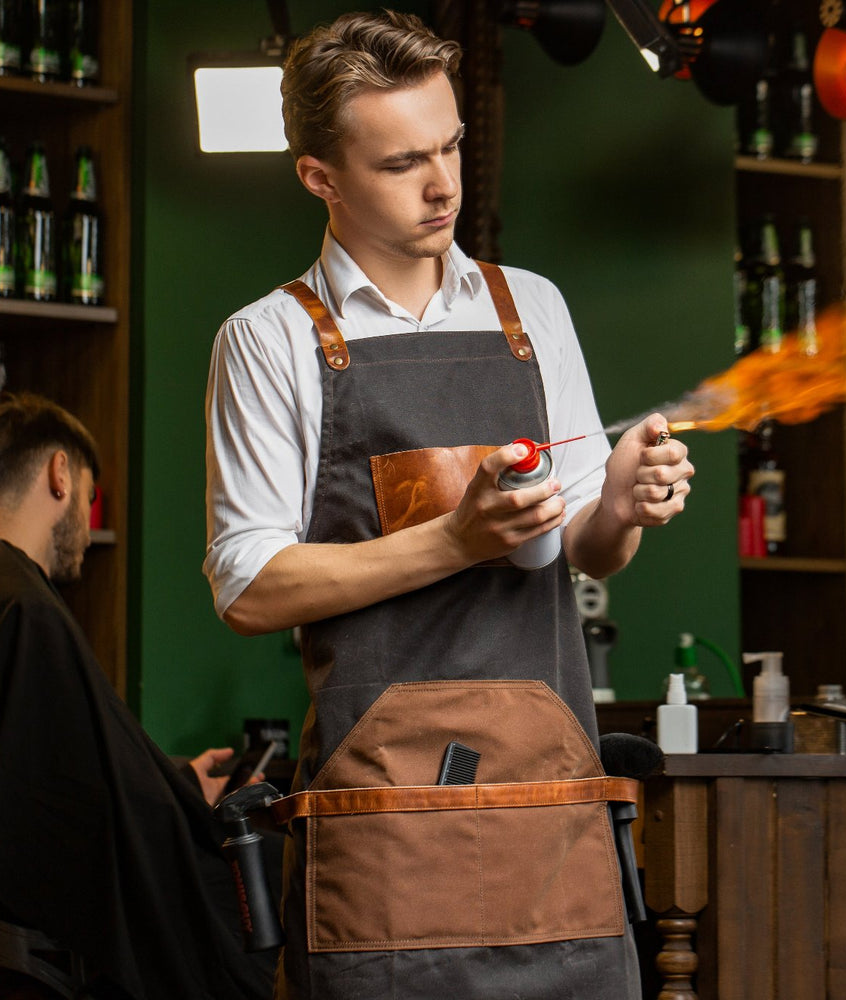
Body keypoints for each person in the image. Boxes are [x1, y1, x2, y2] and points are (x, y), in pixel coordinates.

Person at [204, 10, 695, 1000]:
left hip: (547, 815)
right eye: (401, 163)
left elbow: (588, 551)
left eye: (452, 147)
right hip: (382, 831)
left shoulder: (533, 311)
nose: (443, 185)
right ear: (320, 178)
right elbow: (250, 586)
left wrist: (627, 503)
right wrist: (456, 537)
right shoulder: (268, 342)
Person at [0, 392, 276, 1000]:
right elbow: (72, 813)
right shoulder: (29, 611)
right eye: (92, 497)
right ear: (60, 474)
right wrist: (176, 803)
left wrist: (173, 779)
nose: (90, 525)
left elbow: (44, 768)